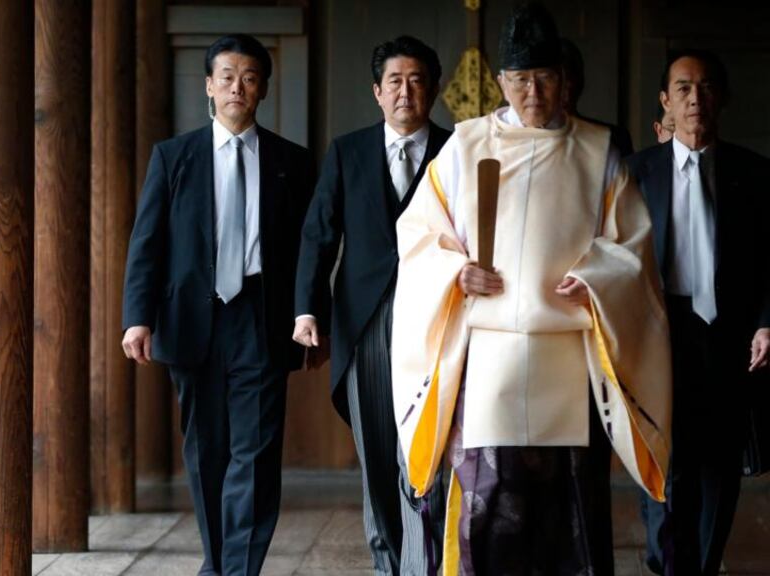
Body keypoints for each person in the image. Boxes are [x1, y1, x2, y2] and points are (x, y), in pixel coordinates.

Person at [390, 4, 673, 575]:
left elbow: (632, 246)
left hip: (568, 352)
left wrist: (595, 277)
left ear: (563, 80)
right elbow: (418, 233)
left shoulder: (598, 152)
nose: (533, 92)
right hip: (487, 355)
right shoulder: (466, 146)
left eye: (544, 78)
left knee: (568, 507)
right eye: (520, 80)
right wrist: (455, 271)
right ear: (501, 82)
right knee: (483, 500)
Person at [122, 34, 313, 576]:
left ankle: (239, 568)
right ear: (208, 86)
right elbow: (147, 243)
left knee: (256, 452)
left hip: (261, 315)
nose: (237, 86)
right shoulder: (173, 157)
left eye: (249, 77)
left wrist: (309, 313)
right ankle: (220, 562)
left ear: (263, 90)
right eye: (226, 76)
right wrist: (137, 317)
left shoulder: (291, 163)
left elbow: (308, 249)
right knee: (207, 453)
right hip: (193, 319)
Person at [293, 35, 451, 575]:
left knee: (428, 454)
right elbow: (319, 235)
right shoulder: (349, 151)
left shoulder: (457, 152)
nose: (405, 92)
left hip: (439, 323)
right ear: (376, 92)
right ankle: (390, 563)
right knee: (380, 455)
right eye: (394, 82)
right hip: (366, 324)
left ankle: (423, 559)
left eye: (416, 81)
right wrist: (308, 310)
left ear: (433, 90)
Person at [627, 49, 770, 576]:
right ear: (665, 101)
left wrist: (766, 320)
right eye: (683, 88)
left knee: (720, 470)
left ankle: (703, 567)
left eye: (706, 87)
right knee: (668, 468)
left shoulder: (754, 174)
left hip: (730, 335)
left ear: (722, 98)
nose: (694, 99)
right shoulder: (636, 172)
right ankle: (670, 566)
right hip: (661, 333)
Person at [637, 97, 675, 575]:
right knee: (653, 447)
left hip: (698, 327)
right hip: (645, 329)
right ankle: (658, 547)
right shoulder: (639, 173)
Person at [560, 37, 635, 156]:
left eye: (571, 77)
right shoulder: (526, 142)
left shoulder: (614, 137)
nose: (568, 86)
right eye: (560, 79)